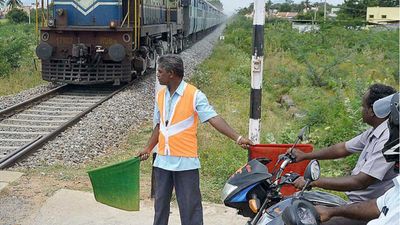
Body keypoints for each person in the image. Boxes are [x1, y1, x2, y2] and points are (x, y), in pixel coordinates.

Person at [137, 54, 253, 225]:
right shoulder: (161, 95)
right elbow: (160, 126)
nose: (157, 75)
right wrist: (148, 148)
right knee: (160, 207)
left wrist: (238, 137)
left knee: (190, 208)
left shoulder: (194, 95)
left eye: (160, 72)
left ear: (171, 73)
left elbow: (214, 118)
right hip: (162, 161)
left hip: (185, 162)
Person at [288, 84, 397, 225]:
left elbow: (359, 182)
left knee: (310, 220)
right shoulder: (376, 131)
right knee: (299, 201)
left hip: (367, 210)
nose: (361, 110)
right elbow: (342, 148)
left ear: (372, 111)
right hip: (354, 203)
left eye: (363, 106)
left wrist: (313, 181)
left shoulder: (388, 139)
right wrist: (305, 155)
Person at [316, 92, 399, 225]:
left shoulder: (385, 139)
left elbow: (360, 182)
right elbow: (377, 205)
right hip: (359, 205)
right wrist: (333, 211)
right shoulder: (397, 188)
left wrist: (314, 182)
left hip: (360, 206)